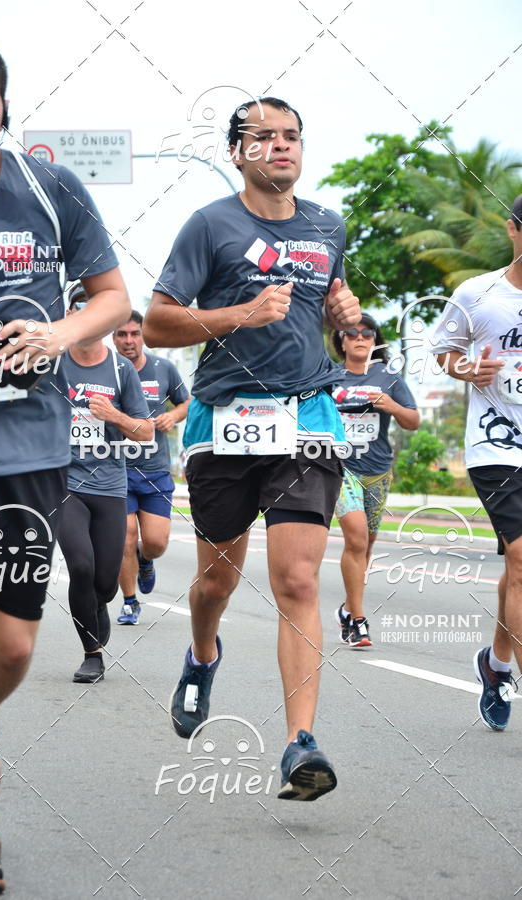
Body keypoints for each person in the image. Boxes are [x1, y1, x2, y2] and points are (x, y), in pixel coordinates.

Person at [0, 38, 129, 894]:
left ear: (5, 108)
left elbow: (112, 297)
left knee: (9, 647)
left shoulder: (52, 190)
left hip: (32, 451)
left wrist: (57, 334)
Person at [143, 96, 360, 801]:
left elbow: (328, 312)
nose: (281, 146)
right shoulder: (210, 225)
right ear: (237, 153)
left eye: (291, 135)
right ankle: (203, 654)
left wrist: (344, 316)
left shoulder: (328, 226)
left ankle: (301, 743)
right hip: (226, 418)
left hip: (308, 416)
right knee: (217, 582)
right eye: (264, 137)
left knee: (298, 581)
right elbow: (157, 322)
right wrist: (241, 313)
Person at [432, 195, 522, 732]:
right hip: (497, 448)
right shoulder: (477, 293)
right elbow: (443, 351)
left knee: (518, 568)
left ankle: (496, 665)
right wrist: (467, 368)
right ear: (513, 230)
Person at [58, 287, 152, 680]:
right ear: (70, 313)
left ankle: (98, 604)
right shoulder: (53, 364)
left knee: (105, 583)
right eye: (80, 307)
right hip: (63, 485)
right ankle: (92, 654)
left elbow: (145, 431)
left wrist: (114, 415)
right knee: (81, 566)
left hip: (110, 486)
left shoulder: (120, 370)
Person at [332, 314, 419, 647]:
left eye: (367, 333)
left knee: (365, 545)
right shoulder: (330, 377)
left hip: (378, 470)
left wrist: (392, 405)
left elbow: (413, 421)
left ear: (374, 340)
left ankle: (347, 608)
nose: (359, 337)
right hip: (341, 469)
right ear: (341, 341)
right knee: (355, 539)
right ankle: (358, 621)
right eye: (351, 333)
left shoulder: (388, 377)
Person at [114, 310, 189, 624]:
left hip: (155, 469)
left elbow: (186, 401)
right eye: (122, 334)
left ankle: (145, 559)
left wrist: (173, 416)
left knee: (156, 542)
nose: (129, 340)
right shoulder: (105, 370)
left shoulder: (163, 368)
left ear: (143, 334)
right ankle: (129, 602)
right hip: (117, 469)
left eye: (135, 333)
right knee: (126, 536)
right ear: (113, 337)